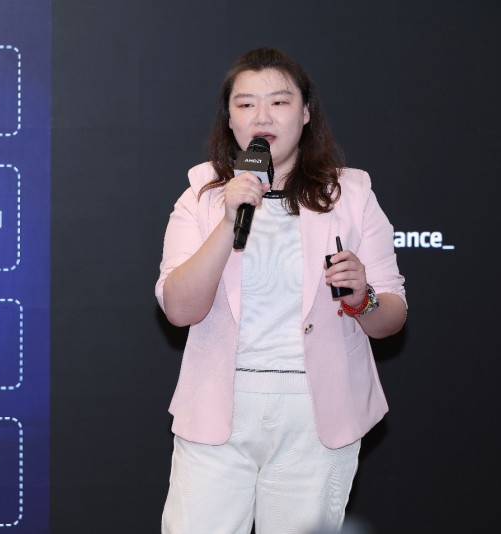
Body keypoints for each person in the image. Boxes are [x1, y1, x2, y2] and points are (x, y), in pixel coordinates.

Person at [155, 47, 407, 533]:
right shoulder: (201, 196)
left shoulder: (351, 195)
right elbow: (179, 309)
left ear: (306, 113)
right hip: (218, 406)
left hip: (318, 413)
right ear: (230, 119)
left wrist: (363, 297)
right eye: (246, 103)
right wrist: (228, 221)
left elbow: (391, 317)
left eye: (279, 101)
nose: (262, 116)